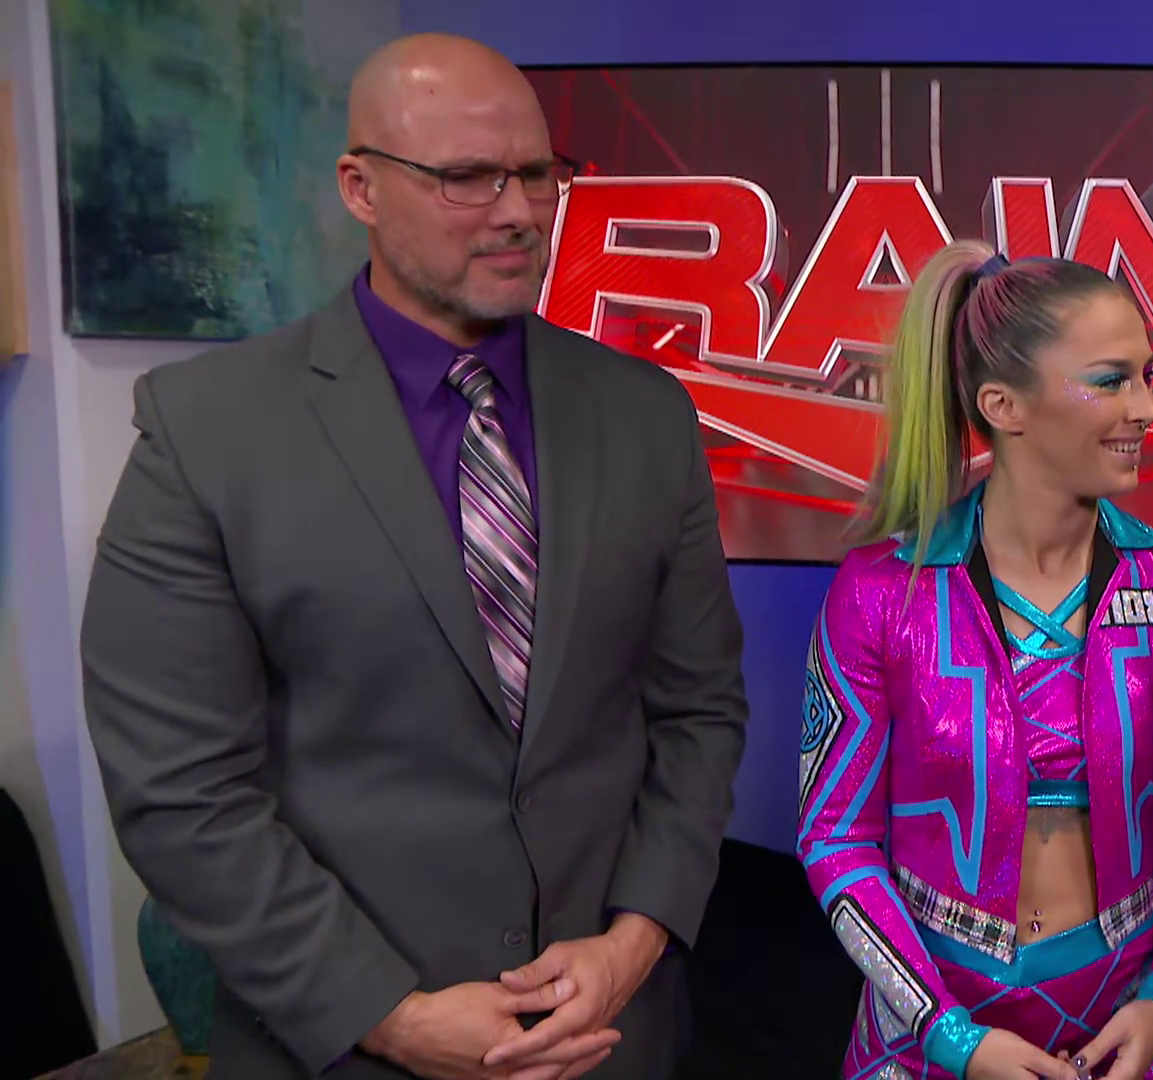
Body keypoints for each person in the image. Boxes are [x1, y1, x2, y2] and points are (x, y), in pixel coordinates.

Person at [79, 33, 748, 1080]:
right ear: (361, 188)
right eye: (467, 177)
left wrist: (635, 942)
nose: (518, 211)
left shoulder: (646, 415)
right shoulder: (204, 433)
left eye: (536, 173)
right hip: (345, 1053)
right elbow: (181, 791)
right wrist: (387, 1016)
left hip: (613, 1039)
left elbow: (699, 711)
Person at [796, 242, 1153, 1080]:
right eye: (1111, 381)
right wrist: (949, 1036)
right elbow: (836, 837)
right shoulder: (879, 594)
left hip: (1132, 1028)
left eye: (1148, 376)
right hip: (927, 1033)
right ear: (1004, 405)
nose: (1148, 408)